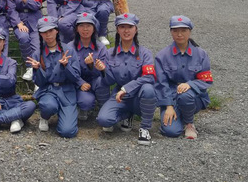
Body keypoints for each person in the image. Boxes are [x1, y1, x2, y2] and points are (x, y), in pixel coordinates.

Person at [96, 13, 157, 146]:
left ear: (136, 29)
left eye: (130, 27)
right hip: (120, 97)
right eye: (122, 27)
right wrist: (103, 70)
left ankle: (145, 128)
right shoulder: (110, 53)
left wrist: (126, 88)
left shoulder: (145, 53)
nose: (126, 31)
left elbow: (149, 77)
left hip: (138, 96)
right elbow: (109, 82)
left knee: (148, 89)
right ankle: (126, 114)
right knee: (104, 120)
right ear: (117, 30)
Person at [156, 15, 213, 140]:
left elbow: (206, 80)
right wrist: (169, 106)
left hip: (193, 97)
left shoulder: (201, 54)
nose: (179, 34)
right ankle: (179, 114)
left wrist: (190, 84)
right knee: (171, 132)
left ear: (190, 31)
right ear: (171, 32)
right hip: (171, 97)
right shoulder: (162, 56)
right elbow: (161, 83)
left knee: (185, 95)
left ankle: (189, 123)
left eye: (183, 30)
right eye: (175, 30)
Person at [26, 16, 81, 138]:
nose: (48, 35)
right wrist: (37, 69)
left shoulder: (69, 51)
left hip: (67, 92)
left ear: (57, 31)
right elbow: (40, 83)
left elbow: (76, 77)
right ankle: (45, 116)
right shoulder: (37, 54)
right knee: (48, 106)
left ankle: (68, 113)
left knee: (67, 132)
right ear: (40, 34)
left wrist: (66, 66)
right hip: (48, 91)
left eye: (50, 30)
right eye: (44, 32)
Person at [0, 28, 37, 135]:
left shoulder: (11, 62)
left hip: (12, 100)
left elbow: (11, 81)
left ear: (4, 42)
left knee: (30, 105)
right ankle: (14, 118)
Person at [10, 0, 43, 81]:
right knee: (23, 38)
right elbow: (10, 9)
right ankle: (29, 67)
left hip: (35, 20)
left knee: (37, 47)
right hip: (20, 21)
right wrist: (18, 23)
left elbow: (37, 5)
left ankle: (37, 77)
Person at [73, 12, 109, 121]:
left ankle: (104, 109)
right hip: (77, 83)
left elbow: (104, 72)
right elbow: (69, 71)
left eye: (88, 25)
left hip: (95, 80)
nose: (85, 29)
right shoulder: (70, 47)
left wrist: (92, 66)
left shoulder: (101, 48)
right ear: (77, 29)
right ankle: (83, 106)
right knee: (86, 102)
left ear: (94, 28)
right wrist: (80, 83)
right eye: (81, 26)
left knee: (102, 81)